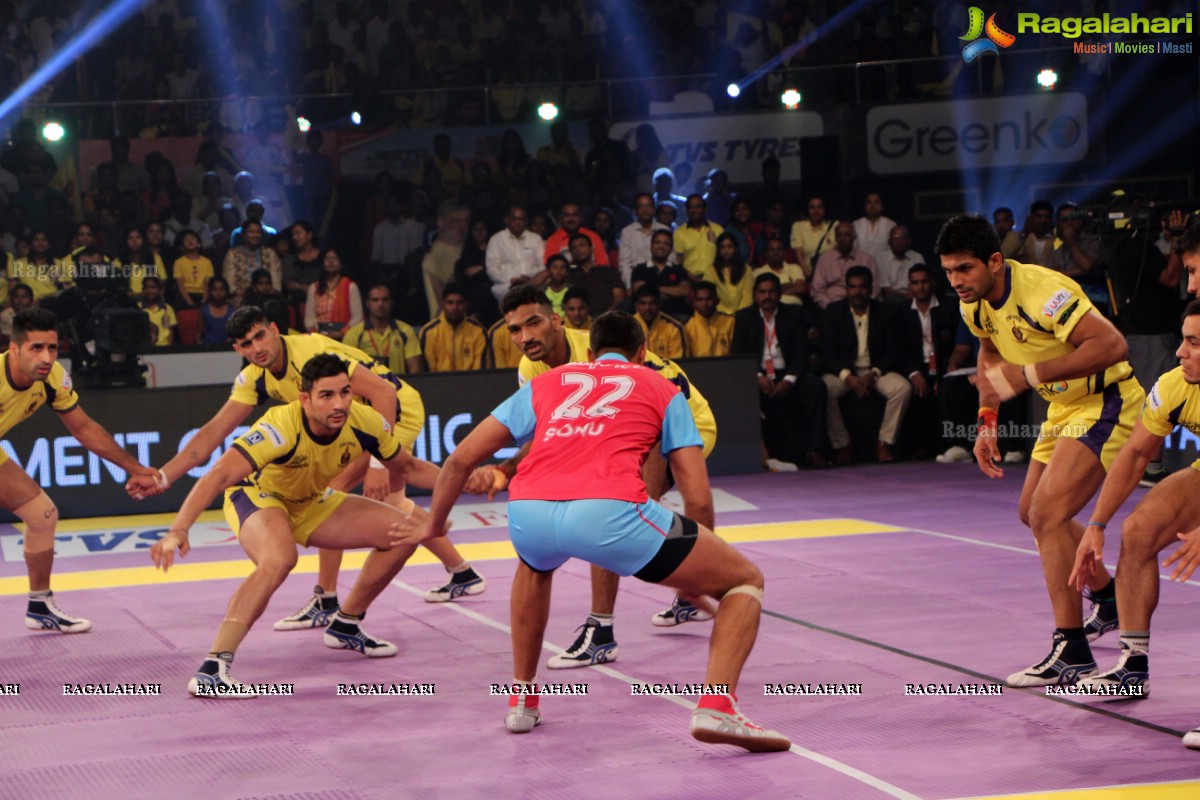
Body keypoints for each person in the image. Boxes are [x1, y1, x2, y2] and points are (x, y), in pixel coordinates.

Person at [401, 311, 789, 751]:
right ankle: (718, 708)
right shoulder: (662, 386)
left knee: (534, 567)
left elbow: (458, 461)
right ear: (643, 353)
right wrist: (692, 577)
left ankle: (523, 701)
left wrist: (434, 525)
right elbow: (697, 496)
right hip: (610, 514)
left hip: (529, 514)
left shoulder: (546, 383)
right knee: (744, 580)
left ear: (588, 352)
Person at [125, 306, 488, 627]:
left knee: (339, 491)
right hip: (348, 419)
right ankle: (460, 571)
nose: (257, 348)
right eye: (247, 344)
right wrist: (163, 475)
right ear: (237, 349)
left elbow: (384, 393)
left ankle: (327, 599)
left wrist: (377, 462)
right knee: (388, 506)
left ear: (274, 328)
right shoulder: (256, 375)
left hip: (391, 412)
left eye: (260, 336)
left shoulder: (311, 352)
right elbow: (212, 432)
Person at [149, 354, 484, 695]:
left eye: (345, 392)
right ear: (304, 398)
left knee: (404, 532)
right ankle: (213, 669)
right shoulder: (279, 427)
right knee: (279, 559)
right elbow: (218, 475)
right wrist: (178, 530)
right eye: (327, 395)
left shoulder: (364, 421)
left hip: (310, 502)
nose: (339, 404)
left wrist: (463, 480)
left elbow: (409, 467)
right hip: (258, 497)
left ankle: (346, 623)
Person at [936, 213, 1144, 687]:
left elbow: (1113, 344)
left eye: (964, 269)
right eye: (949, 271)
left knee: (1049, 514)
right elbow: (990, 355)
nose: (956, 281)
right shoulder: (974, 304)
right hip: (1061, 408)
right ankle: (1107, 597)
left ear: (994, 261)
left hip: (1105, 401)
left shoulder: (1043, 291)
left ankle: (1072, 648)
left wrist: (1028, 376)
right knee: (1032, 512)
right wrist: (987, 423)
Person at [486, 285, 718, 668]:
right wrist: (506, 469)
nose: (525, 337)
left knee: (612, 506)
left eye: (533, 323)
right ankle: (688, 590)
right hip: (623, 429)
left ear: (556, 322)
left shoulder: (595, 353)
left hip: (679, 422)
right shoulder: (531, 366)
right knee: (608, 505)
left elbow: (657, 406)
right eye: (514, 329)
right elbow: (545, 431)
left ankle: (602, 631)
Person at [1068, 299, 1200, 746]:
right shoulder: (1175, 385)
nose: (1180, 352)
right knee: (1138, 531)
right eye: (1183, 339)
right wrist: (1097, 523)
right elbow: (1137, 453)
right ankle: (1132, 666)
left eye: (1194, 343)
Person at [5, 308, 157, 633]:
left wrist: (137, 468)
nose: (46, 357)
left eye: (52, 348)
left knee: (42, 514)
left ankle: (39, 605)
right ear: (14, 349)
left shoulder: (53, 378)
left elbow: (84, 429)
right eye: (36, 348)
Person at [734, 273, 827, 469]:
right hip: (757, 374)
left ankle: (814, 450)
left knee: (815, 386)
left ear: (779, 294)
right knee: (739, 390)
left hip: (788, 371)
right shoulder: (744, 317)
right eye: (762, 292)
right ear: (755, 295)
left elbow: (802, 352)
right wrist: (757, 377)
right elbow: (739, 355)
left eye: (771, 292)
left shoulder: (794, 314)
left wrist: (789, 380)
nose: (767, 296)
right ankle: (750, 456)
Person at [821, 267, 912, 464]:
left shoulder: (885, 312)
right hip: (845, 373)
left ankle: (885, 442)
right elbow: (827, 353)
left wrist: (874, 373)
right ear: (846, 289)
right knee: (825, 388)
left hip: (877, 371)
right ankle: (843, 445)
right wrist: (848, 377)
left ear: (871, 289)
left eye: (862, 287)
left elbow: (893, 351)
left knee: (902, 388)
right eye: (852, 287)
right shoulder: (834, 312)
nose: (857, 292)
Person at [343, 284, 422, 375]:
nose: (380, 304)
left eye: (385, 299)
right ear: (368, 304)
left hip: (398, 387)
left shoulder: (406, 331)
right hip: (367, 387)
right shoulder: (353, 334)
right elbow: (347, 370)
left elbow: (415, 370)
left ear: (391, 303)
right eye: (375, 300)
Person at [419, 283, 487, 372]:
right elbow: (428, 372)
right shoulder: (429, 332)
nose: (455, 307)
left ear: (466, 304)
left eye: (459, 303)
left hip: (471, 383)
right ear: (442, 304)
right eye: (450, 303)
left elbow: (480, 372)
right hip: (438, 383)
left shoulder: (478, 331)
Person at [304, 248, 363, 340]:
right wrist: (316, 333)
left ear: (341, 263)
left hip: (344, 335)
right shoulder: (314, 288)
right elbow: (309, 319)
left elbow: (358, 318)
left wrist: (342, 333)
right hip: (319, 336)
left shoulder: (350, 287)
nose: (331, 261)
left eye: (335, 258)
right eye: (327, 259)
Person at [633, 284, 686, 359]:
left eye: (652, 303)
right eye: (643, 303)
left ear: (659, 304)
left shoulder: (674, 328)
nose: (648, 308)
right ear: (636, 305)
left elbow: (679, 365)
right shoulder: (627, 327)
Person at [684, 281, 734, 358]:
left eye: (708, 299)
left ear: (717, 301)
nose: (704, 303)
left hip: (726, 367)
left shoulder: (730, 322)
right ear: (693, 303)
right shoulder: (686, 326)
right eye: (699, 300)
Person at [172, 229, 213, 308]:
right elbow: (180, 284)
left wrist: (204, 299)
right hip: (186, 293)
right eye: (186, 239)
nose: (189, 241)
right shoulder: (178, 262)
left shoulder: (207, 262)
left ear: (199, 244)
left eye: (193, 238)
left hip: (202, 293)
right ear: (182, 246)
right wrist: (188, 300)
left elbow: (207, 283)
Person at [139, 276, 177, 346]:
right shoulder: (138, 308)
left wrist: (169, 350)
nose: (149, 291)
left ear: (160, 290)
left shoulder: (167, 308)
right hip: (144, 349)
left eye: (153, 287)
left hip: (164, 348)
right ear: (143, 290)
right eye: (146, 288)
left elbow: (170, 332)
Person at [199, 277, 232, 346]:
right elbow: (198, 333)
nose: (218, 293)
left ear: (226, 291)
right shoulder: (204, 310)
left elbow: (234, 334)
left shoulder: (231, 310)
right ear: (210, 291)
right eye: (215, 289)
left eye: (222, 289)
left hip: (226, 350)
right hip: (207, 350)